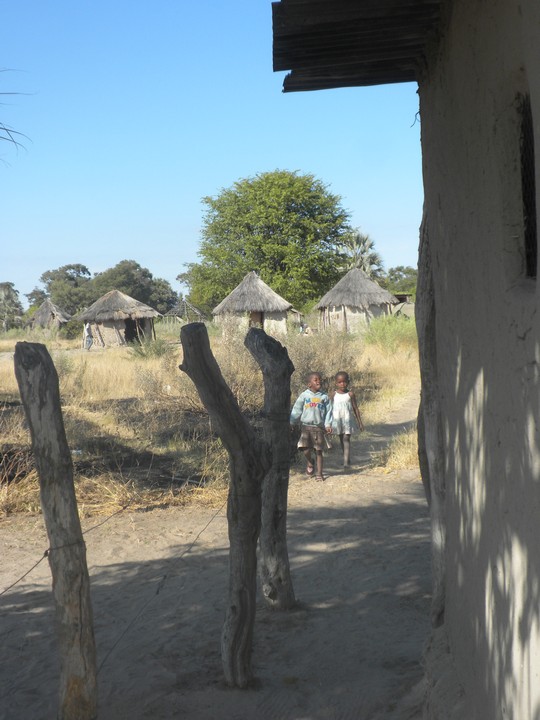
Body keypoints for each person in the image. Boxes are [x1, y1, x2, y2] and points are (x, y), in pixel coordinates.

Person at [290, 371, 333, 481]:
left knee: (319, 451)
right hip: (306, 426)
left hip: (319, 428)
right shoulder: (304, 395)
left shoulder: (324, 397)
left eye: (320, 380)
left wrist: (328, 424)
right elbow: (297, 409)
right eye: (316, 380)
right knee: (305, 448)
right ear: (309, 384)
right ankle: (310, 462)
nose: (319, 382)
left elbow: (329, 412)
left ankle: (319, 473)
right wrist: (292, 422)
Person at [330, 371, 364, 468]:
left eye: (344, 382)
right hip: (337, 421)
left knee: (346, 439)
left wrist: (360, 423)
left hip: (347, 420)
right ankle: (347, 458)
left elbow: (355, 408)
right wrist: (328, 423)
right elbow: (329, 409)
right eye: (339, 382)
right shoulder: (333, 395)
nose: (342, 384)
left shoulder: (350, 394)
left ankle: (345, 463)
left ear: (348, 382)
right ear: (336, 383)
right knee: (341, 439)